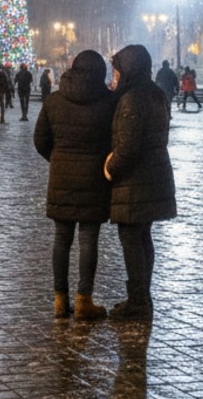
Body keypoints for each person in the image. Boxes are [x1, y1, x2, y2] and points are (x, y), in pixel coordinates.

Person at [34, 50, 117, 320]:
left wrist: (57, 160)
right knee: (88, 239)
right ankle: (84, 300)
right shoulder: (108, 101)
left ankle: (60, 300)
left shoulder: (55, 100)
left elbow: (40, 140)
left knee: (62, 239)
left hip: (61, 178)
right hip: (94, 179)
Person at [104, 45, 177, 320]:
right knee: (143, 238)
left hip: (136, 180)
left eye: (118, 70)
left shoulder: (131, 98)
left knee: (132, 239)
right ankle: (143, 297)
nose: (115, 76)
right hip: (155, 174)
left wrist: (110, 168)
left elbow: (129, 146)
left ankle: (138, 301)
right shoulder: (155, 93)